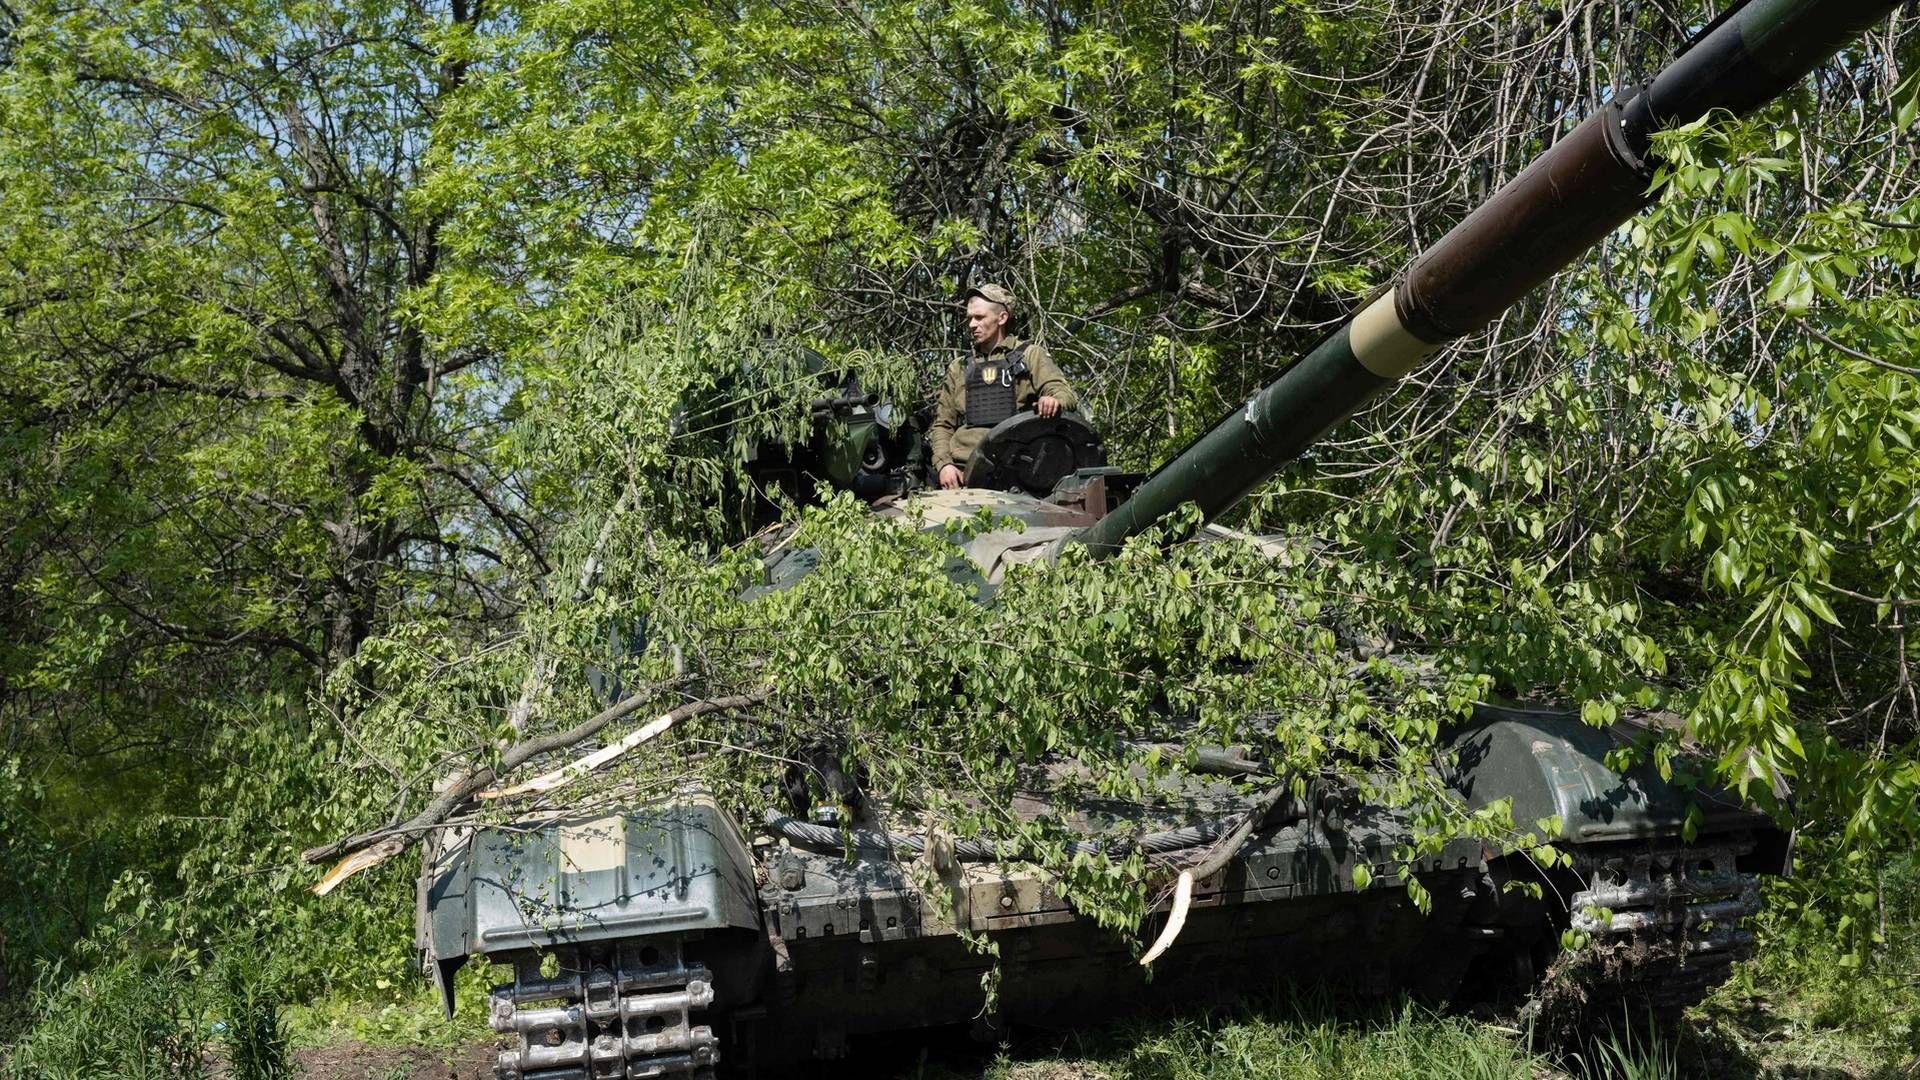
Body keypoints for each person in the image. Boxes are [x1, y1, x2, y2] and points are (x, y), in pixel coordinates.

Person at [926, 283, 1079, 489]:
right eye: (969, 318)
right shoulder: (960, 367)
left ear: (1002, 318)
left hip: (1018, 472)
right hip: (965, 471)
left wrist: (1053, 401)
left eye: (979, 317)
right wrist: (944, 465)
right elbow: (943, 425)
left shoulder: (1030, 355)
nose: (972, 324)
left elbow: (1063, 393)